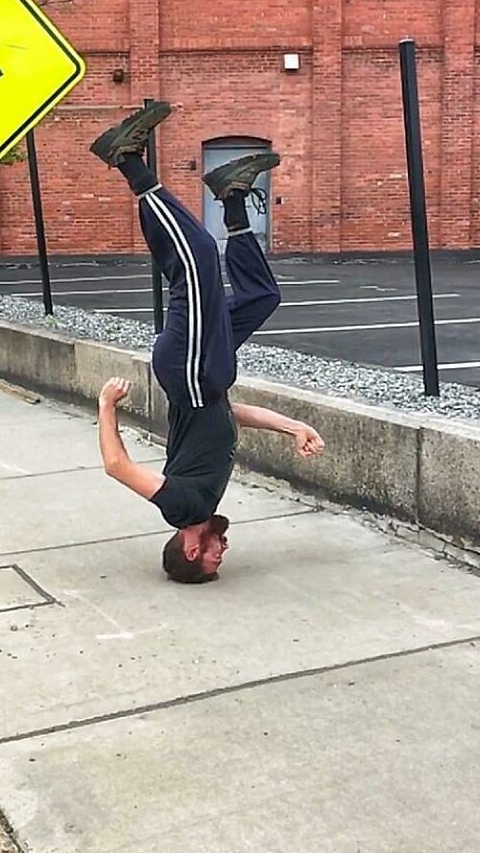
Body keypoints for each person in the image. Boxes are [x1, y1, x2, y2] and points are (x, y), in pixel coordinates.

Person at [91, 101, 324, 583]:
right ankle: (232, 195)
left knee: (196, 261)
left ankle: (127, 161)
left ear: (191, 551)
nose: (224, 550)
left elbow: (116, 466)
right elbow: (228, 414)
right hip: (206, 380)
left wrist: (106, 404)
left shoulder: (182, 508)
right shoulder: (207, 492)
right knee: (262, 297)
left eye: (216, 557)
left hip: (190, 368)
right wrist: (294, 426)